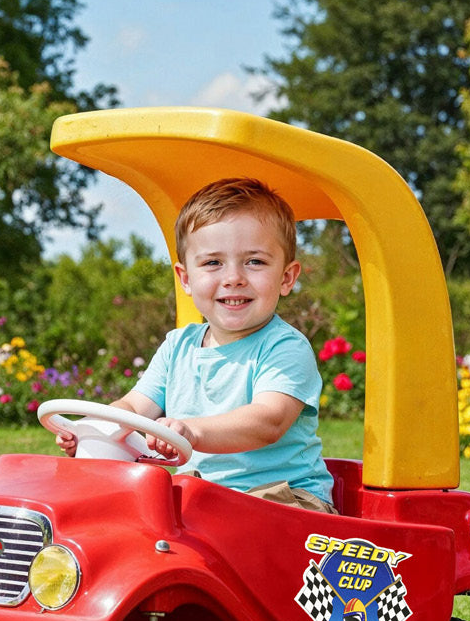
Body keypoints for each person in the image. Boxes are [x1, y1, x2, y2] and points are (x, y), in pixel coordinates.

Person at [56, 177, 336, 513]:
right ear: (186, 278)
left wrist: (193, 430)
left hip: (286, 501)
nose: (233, 277)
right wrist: (96, 430)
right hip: (203, 500)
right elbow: (133, 408)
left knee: (206, 524)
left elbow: (268, 421)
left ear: (287, 277)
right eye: (213, 263)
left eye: (255, 262)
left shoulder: (284, 347)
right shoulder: (178, 347)